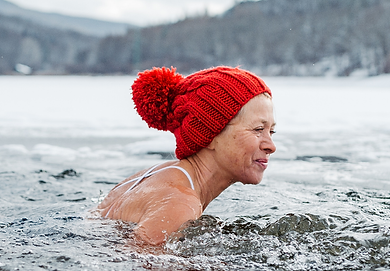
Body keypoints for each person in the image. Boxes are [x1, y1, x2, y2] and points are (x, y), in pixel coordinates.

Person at [98, 66, 276, 245]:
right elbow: (132, 259)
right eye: (258, 129)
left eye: (271, 131)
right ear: (210, 135)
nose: (271, 146)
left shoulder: (163, 177)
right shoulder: (180, 203)